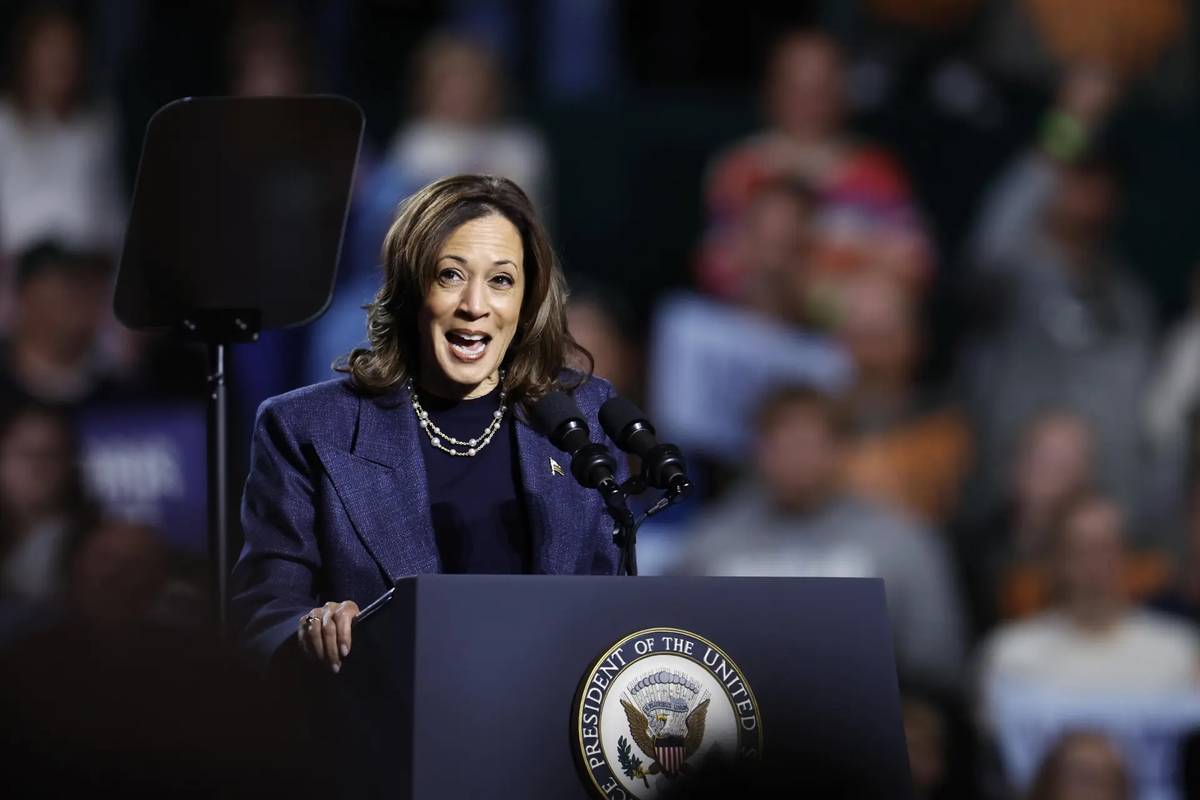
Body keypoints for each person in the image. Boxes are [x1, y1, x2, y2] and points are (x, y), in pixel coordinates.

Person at [230, 174, 625, 671]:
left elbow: (613, 608)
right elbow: (262, 614)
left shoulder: (582, 416)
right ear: (411, 289)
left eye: (501, 280)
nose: (475, 306)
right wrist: (311, 628)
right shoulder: (307, 428)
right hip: (385, 725)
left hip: (547, 723)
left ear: (527, 302)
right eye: (450, 275)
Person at [677, 385, 966, 693]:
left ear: (842, 450)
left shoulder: (901, 539)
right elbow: (680, 652)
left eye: (809, 444)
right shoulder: (710, 541)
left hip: (868, 707)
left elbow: (938, 657)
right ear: (757, 450)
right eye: (782, 443)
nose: (796, 458)